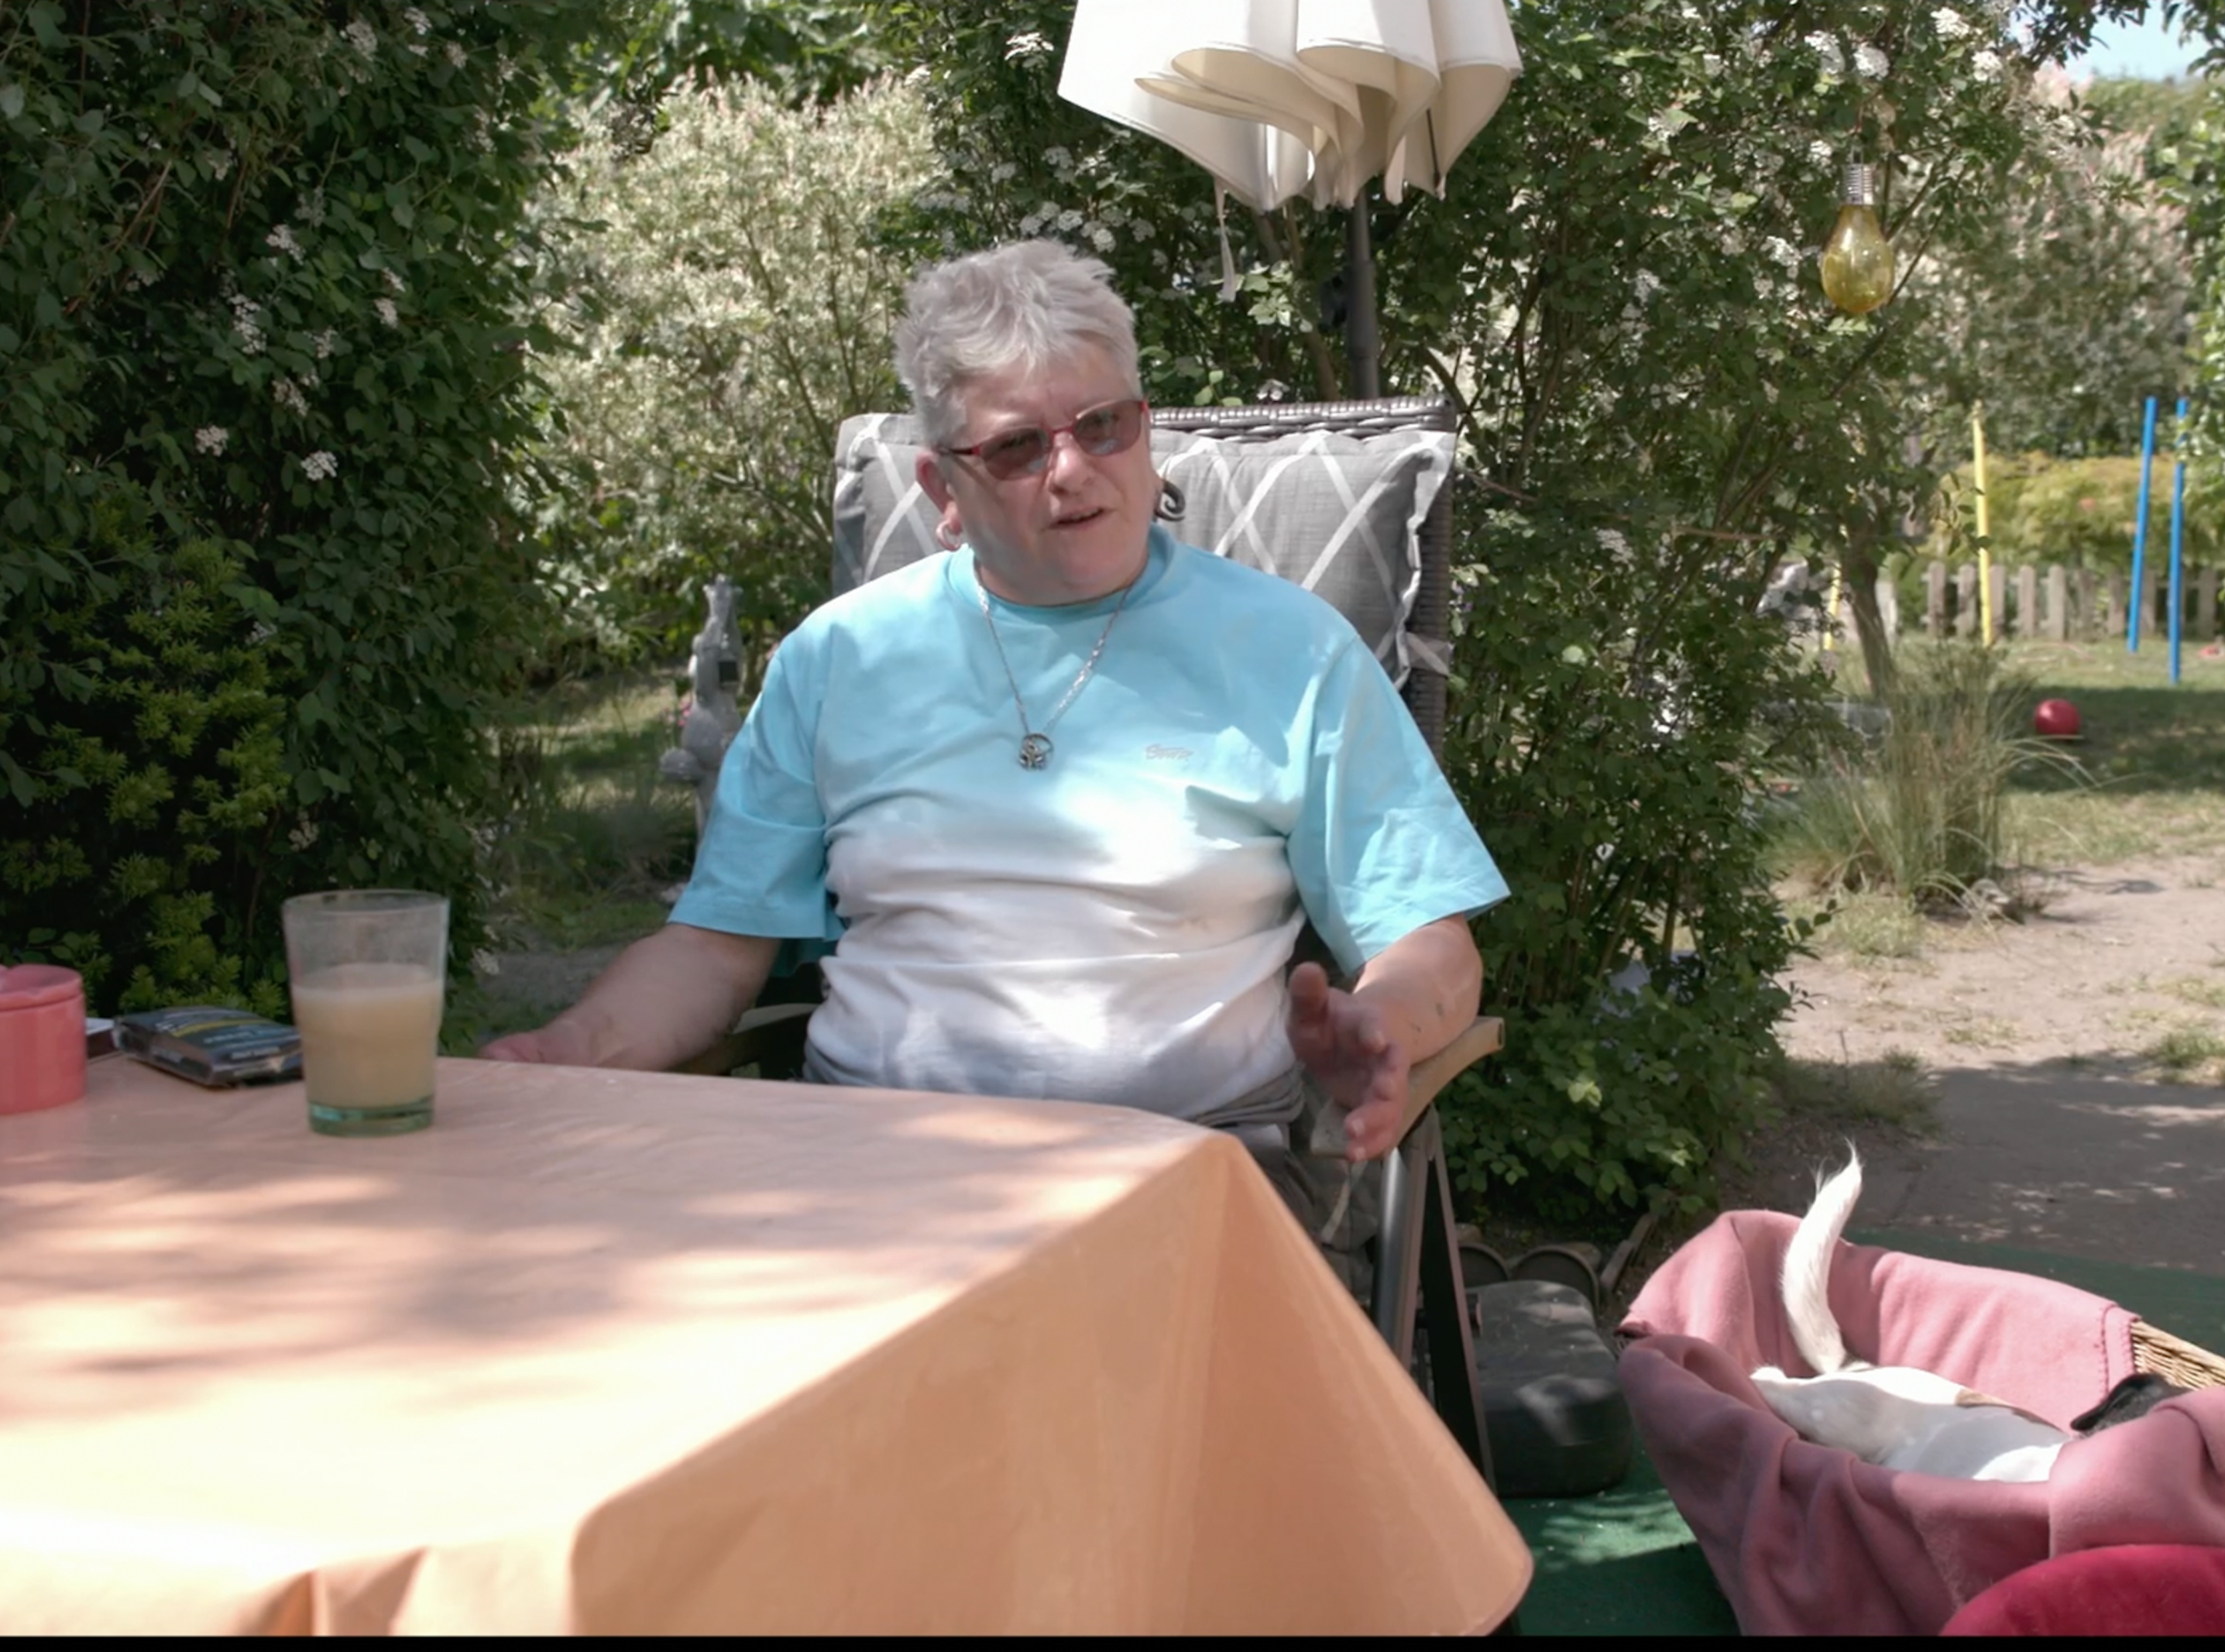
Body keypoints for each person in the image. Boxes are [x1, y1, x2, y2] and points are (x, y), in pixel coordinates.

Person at [483, 239, 1507, 1290]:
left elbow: (1431, 940)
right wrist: (565, 1053)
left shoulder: (1291, 653)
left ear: (1144, 428)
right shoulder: (840, 660)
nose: (1072, 470)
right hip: (860, 1170)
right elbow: (713, 951)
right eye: (1018, 448)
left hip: (1179, 1172)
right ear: (943, 486)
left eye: (1104, 425)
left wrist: (1383, 1022)